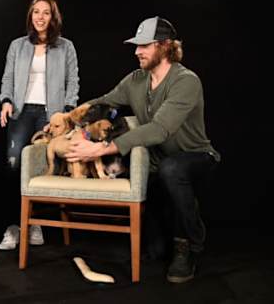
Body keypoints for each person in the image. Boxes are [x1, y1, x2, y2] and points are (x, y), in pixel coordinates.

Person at [65, 16, 220, 283]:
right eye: (136, 46)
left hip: (195, 156)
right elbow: (103, 102)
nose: (137, 51)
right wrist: (69, 121)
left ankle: (191, 244)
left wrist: (100, 148)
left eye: (144, 45)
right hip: (158, 159)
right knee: (155, 249)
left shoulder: (186, 81)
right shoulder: (136, 80)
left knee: (172, 169)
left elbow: (159, 129)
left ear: (165, 46)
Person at [0, 0, 79, 250]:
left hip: (50, 114)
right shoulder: (17, 46)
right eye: (36, 12)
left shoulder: (66, 47)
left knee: (42, 165)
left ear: (53, 17)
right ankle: (13, 226)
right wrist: (6, 101)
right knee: (14, 164)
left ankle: (35, 223)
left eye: (46, 13)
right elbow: (8, 77)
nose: (40, 17)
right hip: (21, 112)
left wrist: (67, 114)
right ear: (30, 16)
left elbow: (73, 82)